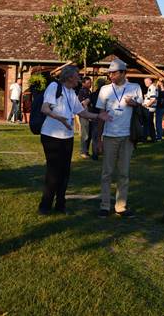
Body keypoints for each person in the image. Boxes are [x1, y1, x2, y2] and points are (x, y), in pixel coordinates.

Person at [38, 66, 112, 215]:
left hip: (67, 137)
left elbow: (82, 112)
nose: (79, 78)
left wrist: (98, 116)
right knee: (53, 171)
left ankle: (60, 205)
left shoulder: (72, 93)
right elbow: (44, 109)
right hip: (51, 136)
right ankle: (45, 206)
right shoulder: (54, 86)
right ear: (69, 77)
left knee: (65, 171)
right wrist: (59, 118)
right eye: (77, 75)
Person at [96, 59, 143, 218]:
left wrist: (134, 103)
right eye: (109, 73)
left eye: (114, 73)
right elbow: (100, 115)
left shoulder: (135, 87)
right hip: (109, 136)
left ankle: (121, 206)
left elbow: (142, 109)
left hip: (128, 136)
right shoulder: (104, 89)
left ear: (124, 73)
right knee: (107, 172)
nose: (111, 76)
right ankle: (104, 205)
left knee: (124, 173)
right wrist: (98, 139)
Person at [88, 77, 106, 160]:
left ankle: (95, 154)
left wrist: (89, 114)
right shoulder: (107, 94)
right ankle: (104, 151)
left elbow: (86, 103)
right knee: (105, 135)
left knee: (95, 136)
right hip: (105, 116)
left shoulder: (93, 94)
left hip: (95, 116)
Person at [78, 76, 93, 158]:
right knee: (85, 134)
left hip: (89, 115)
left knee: (89, 134)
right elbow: (83, 104)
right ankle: (83, 152)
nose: (90, 84)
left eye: (90, 82)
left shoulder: (89, 91)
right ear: (83, 83)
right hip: (84, 115)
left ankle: (86, 151)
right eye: (88, 83)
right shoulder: (82, 91)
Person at [142, 78, 158, 142]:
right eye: (144, 81)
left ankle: (145, 138)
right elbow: (151, 97)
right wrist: (146, 96)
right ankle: (152, 138)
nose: (145, 83)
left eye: (146, 81)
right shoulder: (151, 88)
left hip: (149, 109)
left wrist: (146, 105)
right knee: (150, 123)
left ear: (150, 81)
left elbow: (153, 99)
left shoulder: (152, 88)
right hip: (150, 108)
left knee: (147, 124)